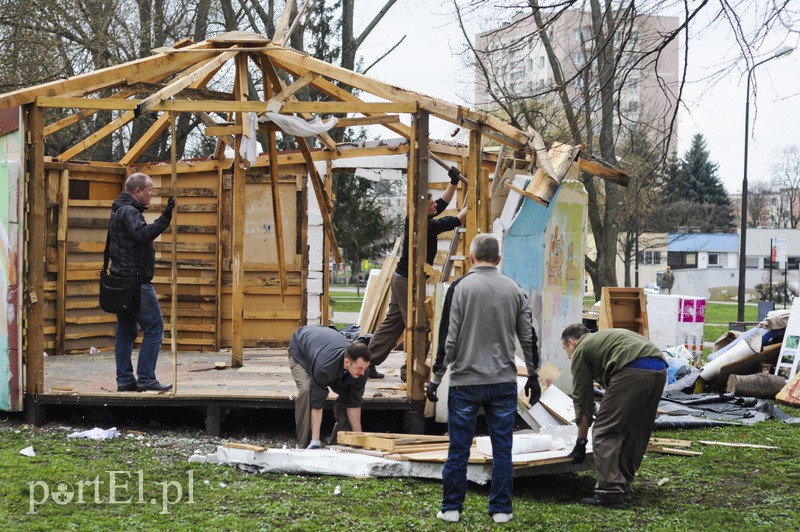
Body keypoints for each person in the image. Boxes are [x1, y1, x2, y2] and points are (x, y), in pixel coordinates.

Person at [427, 234, 540, 524]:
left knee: (459, 448)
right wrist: (534, 375)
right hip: (502, 382)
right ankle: (501, 510)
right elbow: (528, 337)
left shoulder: (460, 288)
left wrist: (436, 378)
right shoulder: (515, 289)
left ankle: (451, 508)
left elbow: (447, 340)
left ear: (471, 258)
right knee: (503, 449)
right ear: (499, 260)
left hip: (465, 382)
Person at [367, 166, 467, 379]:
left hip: (403, 278)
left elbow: (442, 204)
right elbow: (454, 221)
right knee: (419, 325)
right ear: (422, 209)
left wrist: (453, 183)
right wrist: (474, 200)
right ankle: (410, 373)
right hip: (406, 280)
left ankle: (367, 362)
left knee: (393, 324)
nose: (434, 206)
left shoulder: (421, 216)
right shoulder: (421, 225)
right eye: (430, 204)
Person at [561, 324, 667, 508]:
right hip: (659, 368)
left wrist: (581, 442)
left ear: (571, 342)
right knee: (637, 430)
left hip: (631, 370)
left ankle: (609, 491)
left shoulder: (581, 350)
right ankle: (622, 485)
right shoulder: (603, 340)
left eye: (565, 349)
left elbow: (582, 399)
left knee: (605, 431)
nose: (567, 355)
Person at [110, 173, 175, 392]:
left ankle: (125, 380)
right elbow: (142, 235)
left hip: (120, 282)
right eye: (149, 190)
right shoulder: (129, 212)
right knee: (155, 328)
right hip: (136, 283)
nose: (152, 193)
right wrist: (165, 218)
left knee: (126, 331)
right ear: (137, 191)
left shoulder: (120, 210)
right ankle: (146, 378)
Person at [289, 325, 371, 449]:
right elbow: (317, 403)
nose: (363, 372)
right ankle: (304, 444)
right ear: (347, 362)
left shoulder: (362, 370)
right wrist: (315, 440)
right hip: (301, 349)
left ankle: (338, 442)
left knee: (349, 395)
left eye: (365, 368)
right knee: (307, 390)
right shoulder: (324, 367)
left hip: (323, 346)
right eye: (360, 368)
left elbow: (354, 403)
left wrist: (360, 439)